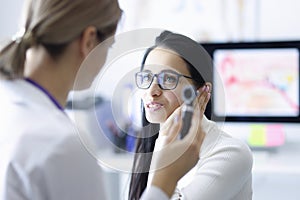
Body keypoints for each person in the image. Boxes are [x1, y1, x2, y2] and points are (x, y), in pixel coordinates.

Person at [0, 1, 206, 199]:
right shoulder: (62, 145)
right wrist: (165, 180)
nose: (153, 90)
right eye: (109, 46)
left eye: (167, 79)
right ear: (89, 40)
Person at [129, 31, 253, 200]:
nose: (152, 91)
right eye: (146, 77)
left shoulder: (230, 152)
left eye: (168, 79)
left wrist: (163, 148)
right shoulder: (151, 145)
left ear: (202, 90)